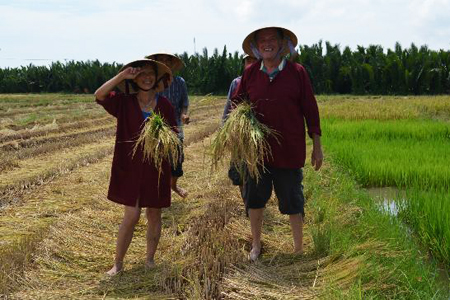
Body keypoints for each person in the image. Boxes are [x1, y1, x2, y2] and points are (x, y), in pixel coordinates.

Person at [231, 26, 323, 261]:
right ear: (256, 47)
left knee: (292, 199)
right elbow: (237, 105)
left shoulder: (297, 72)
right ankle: (256, 245)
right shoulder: (251, 74)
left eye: (273, 39)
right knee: (254, 198)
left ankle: (298, 248)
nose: (267, 43)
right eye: (262, 40)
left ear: (283, 44)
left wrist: (317, 145)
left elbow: (310, 109)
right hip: (258, 152)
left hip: (289, 150)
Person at [94, 58, 176, 275]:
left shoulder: (165, 105)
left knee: (154, 215)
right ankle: (118, 264)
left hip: (156, 169)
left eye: (150, 73)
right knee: (131, 214)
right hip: (130, 168)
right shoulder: (124, 102)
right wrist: (122, 76)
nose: (147, 78)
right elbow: (99, 95)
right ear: (135, 78)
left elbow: (173, 136)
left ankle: (149, 259)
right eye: (141, 74)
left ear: (157, 78)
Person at [146, 52, 190, 199]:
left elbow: (184, 103)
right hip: (155, 126)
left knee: (177, 159)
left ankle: (173, 185)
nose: (165, 63)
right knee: (155, 159)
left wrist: (184, 115)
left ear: (172, 64)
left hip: (175, 126)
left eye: (167, 61)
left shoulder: (180, 82)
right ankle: (157, 189)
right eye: (161, 61)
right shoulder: (151, 82)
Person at [222, 54, 257, 197]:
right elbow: (229, 107)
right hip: (239, 132)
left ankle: (254, 200)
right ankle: (246, 200)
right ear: (244, 63)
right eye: (248, 60)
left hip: (257, 132)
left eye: (254, 60)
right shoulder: (236, 83)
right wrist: (224, 130)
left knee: (255, 169)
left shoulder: (264, 81)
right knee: (239, 171)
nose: (251, 63)